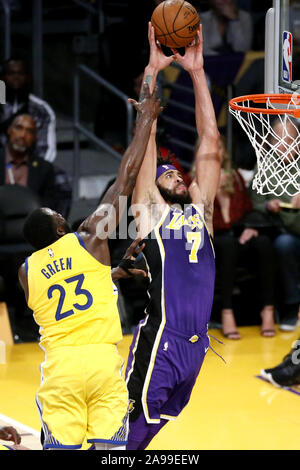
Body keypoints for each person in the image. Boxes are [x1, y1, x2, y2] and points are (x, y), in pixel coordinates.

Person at [17, 84, 162, 450]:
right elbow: (125, 178)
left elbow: (60, 294)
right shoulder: (90, 238)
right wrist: (146, 117)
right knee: (110, 451)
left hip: (61, 367)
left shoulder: (25, 271)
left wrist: (108, 275)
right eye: (59, 215)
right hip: (101, 362)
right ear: (62, 228)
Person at [125, 23, 222, 450]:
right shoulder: (150, 212)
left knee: (148, 435)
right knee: (123, 438)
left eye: (179, 174)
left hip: (197, 346)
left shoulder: (201, 212)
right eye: (168, 175)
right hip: (161, 340)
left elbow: (211, 144)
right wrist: (152, 70)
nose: (178, 177)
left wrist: (197, 73)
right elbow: (145, 150)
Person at [211, 139, 276, 339]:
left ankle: (268, 310)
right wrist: (213, 191)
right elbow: (205, 220)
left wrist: (250, 228)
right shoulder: (194, 180)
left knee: (263, 243)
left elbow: (247, 210)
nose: (215, 153)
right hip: (213, 238)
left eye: (219, 147)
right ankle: (227, 311)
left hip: (237, 233)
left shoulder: (236, 177)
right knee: (228, 245)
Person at [249, 118, 300, 332]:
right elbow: (254, 203)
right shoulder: (263, 165)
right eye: (278, 140)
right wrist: (269, 205)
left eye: (289, 140)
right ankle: (291, 305)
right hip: (284, 229)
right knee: (283, 244)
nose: (284, 145)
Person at [0, 58, 56, 162]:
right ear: (2, 78)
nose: (16, 77)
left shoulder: (41, 109)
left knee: (61, 177)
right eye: (11, 73)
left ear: (28, 78)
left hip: (29, 167)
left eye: (20, 74)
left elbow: (46, 149)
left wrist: (32, 173)